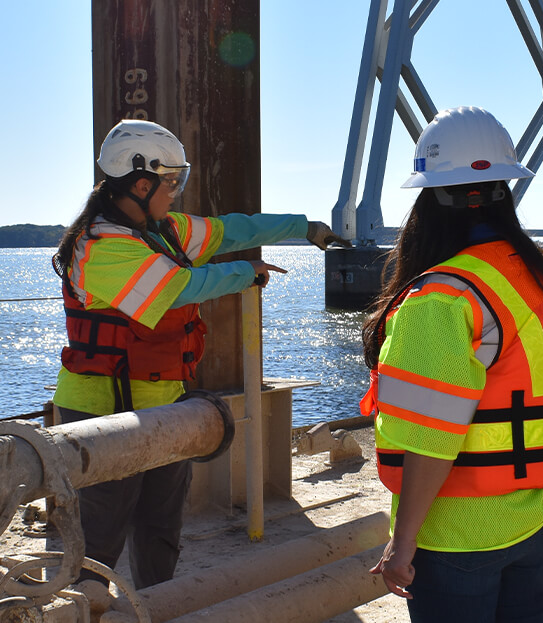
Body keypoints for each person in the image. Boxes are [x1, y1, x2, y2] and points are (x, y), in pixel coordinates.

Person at [51, 119, 348, 589]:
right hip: (100, 408)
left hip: (164, 398)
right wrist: (245, 272)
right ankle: (86, 607)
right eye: (171, 182)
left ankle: (158, 604)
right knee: (102, 528)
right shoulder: (100, 245)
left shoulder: (161, 230)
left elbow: (228, 231)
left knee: (161, 522)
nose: (176, 191)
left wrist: (303, 227)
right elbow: (176, 288)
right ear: (140, 182)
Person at [359, 106, 543, 622]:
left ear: (430, 200)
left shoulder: (441, 299)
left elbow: (431, 436)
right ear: (505, 194)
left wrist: (402, 548)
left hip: (461, 532)